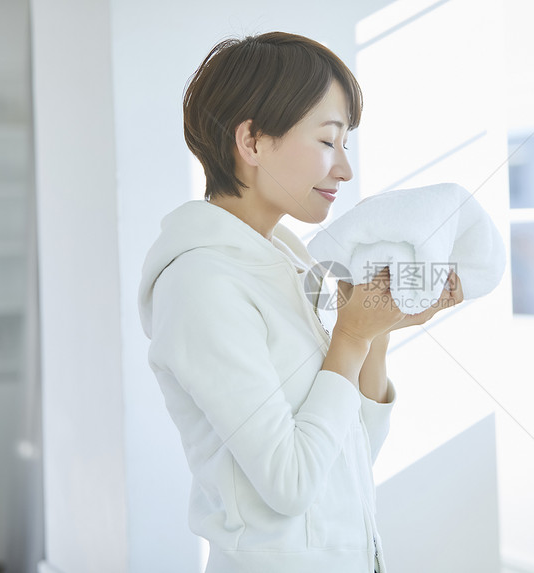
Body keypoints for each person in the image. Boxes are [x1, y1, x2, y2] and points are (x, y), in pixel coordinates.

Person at [138, 32, 462, 573]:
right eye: (328, 142)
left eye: (346, 146)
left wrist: (378, 330)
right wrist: (352, 336)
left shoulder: (293, 264)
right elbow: (290, 485)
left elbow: (351, 454)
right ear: (253, 142)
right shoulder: (201, 284)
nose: (344, 170)